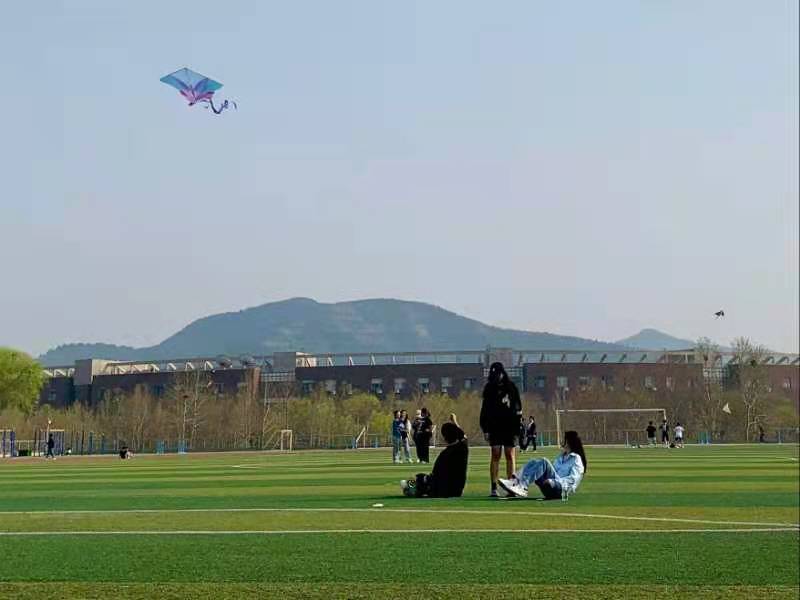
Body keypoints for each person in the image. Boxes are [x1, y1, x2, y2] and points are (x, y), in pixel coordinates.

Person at [498, 430, 587, 499]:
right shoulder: (560, 457)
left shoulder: (576, 459)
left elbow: (573, 480)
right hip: (549, 486)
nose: (562, 442)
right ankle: (515, 481)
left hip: (560, 490)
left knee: (544, 461)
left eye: (564, 440)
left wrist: (555, 482)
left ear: (569, 442)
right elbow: (553, 472)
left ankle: (523, 487)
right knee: (533, 462)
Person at [401, 414, 468, 498]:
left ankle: (413, 489)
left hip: (442, 489)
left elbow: (437, 475)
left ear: (445, 438)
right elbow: (463, 436)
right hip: (457, 490)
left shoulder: (445, 454)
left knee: (417, 478)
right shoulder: (463, 448)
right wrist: (455, 421)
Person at [480, 362, 522, 497]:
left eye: (498, 374)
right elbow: (485, 409)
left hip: (509, 425)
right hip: (494, 426)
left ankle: (511, 486)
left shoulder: (511, 387)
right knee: (495, 453)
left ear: (503, 373)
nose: (497, 377)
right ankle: (494, 487)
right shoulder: (489, 388)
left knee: (510, 454)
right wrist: (485, 428)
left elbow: (518, 407)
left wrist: (517, 426)